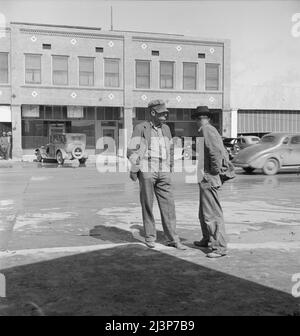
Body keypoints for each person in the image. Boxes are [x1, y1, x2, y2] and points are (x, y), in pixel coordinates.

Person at [127, 99, 186, 250]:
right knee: (148, 204)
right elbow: (131, 151)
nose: (165, 115)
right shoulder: (141, 128)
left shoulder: (166, 128)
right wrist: (138, 167)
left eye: (166, 113)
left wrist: (170, 165)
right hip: (147, 168)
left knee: (169, 206)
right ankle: (150, 237)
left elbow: (171, 148)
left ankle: (173, 238)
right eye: (162, 113)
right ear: (153, 113)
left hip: (163, 169)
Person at [192, 106, 228, 258]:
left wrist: (212, 172)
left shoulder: (207, 130)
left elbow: (215, 153)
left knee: (211, 213)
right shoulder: (207, 130)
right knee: (204, 211)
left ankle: (219, 247)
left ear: (198, 119)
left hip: (209, 177)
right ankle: (207, 238)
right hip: (205, 177)